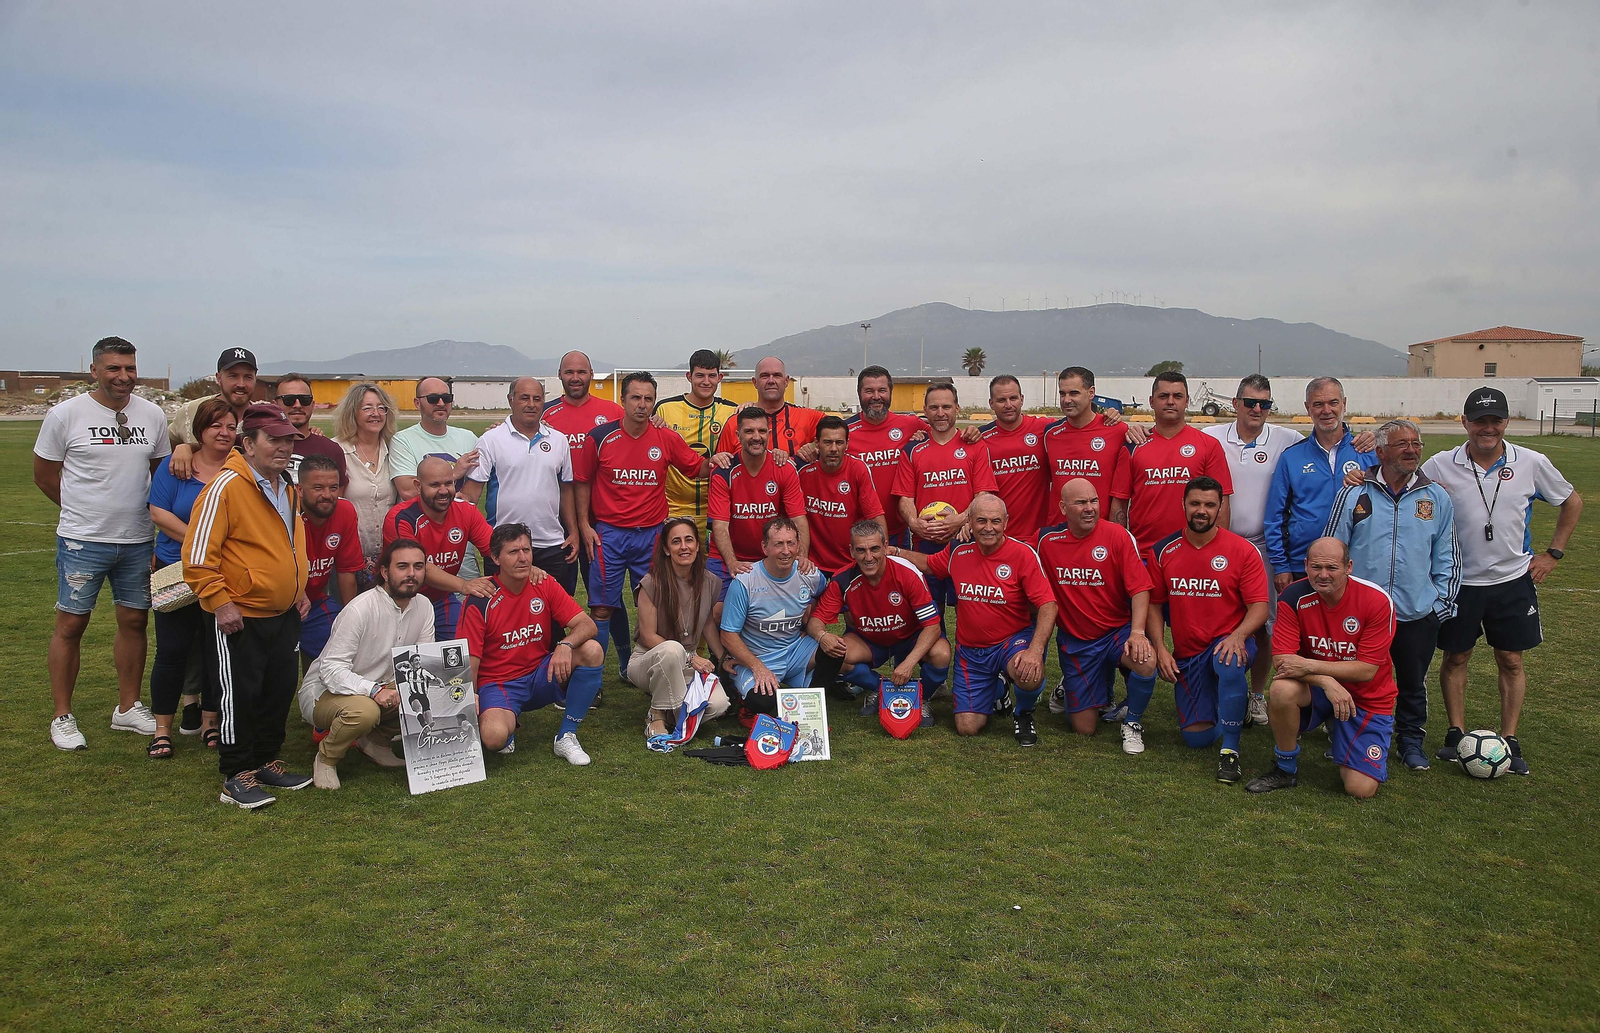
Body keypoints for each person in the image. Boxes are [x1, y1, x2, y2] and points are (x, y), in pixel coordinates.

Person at [1421, 387, 1582, 775]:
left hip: (1512, 580)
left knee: (1510, 659)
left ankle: (1509, 738)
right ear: (1465, 422)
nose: (1487, 428)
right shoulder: (1441, 465)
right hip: (1459, 582)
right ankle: (1455, 733)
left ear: (1506, 423)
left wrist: (1552, 554)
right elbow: (1409, 495)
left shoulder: (1530, 462)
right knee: (1456, 656)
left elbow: (1571, 501)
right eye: (1479, 420)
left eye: (1495, 421)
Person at [33, 336, 171, 751]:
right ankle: (62, 716)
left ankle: (127, 708)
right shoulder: (65, 414)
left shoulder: (152, 415)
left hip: (136, 540)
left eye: (129, 368)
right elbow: (44, 474)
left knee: (133, 622)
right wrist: (81, 511)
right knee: (71, 624)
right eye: (113, 368)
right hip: (82, 541)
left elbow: (157, 473)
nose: (123, 377)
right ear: (94, 370)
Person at [183, 402, 312, 809]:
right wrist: (221, 603)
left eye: (288, 439)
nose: (282, 447)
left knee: (277, 690)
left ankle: (265, 761)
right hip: (240, 615)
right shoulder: (225, 487)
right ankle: (235, 774)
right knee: (238, 693)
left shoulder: (286, 485)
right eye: (273, 439)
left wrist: (298, 588)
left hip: (284, 612)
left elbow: (288, 545)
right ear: (248, 444)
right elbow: (198, 556)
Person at [1324, 419, 1461, 771]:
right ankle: (1347, 736)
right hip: (1363, 613)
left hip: (1416, 611)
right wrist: (1338, 602)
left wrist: (1439, 605)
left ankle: (1410, 741)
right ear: (1381, 451)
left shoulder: (1437, 497)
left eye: (1417, 444)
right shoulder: (1355, 493)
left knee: (1412, 681)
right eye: (1403, 444)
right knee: (1356, 677)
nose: (1412, 450)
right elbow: (1333, 549)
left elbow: (1448, 554)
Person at [893, 495, 1056, 742]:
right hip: (971, 652)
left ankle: (1023, 714)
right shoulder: (958, 550)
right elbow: (927, 563)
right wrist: (894, 551)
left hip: (1010, 643)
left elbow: (1048, 604)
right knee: (967, 726)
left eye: (995, 521)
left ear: (1006, 523)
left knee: (1027, 674)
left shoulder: (1022, 554)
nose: (988, 528)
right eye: (981, 521)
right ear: (969, 521)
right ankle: (998, 689)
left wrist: (1035, 651)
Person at [574, 371, 707, 673]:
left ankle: (659, 671)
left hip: (652, 536)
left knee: (658, 606)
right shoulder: (600, 438)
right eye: (636, 397)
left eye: (648, 399)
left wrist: (731, 456)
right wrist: (584, 525)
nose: (642, 405)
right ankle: (593, 680)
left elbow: (698, 468)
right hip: (609, 534)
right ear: (622, 400)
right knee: (602, 606)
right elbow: (582, 482)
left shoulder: (666, 438)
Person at [1246, 538, 1399, 798]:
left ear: (1349, 567)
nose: (1323, 575)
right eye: (1316, 567)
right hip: (1317, 689)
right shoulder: (1293, 596)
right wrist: (1328, 683)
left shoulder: (1376, 600)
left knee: (1359, 789)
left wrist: (1309, 664)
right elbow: (1283, 661)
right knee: (1282, 689)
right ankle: (1285, 769)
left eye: (1332, 568)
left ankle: (1342, 732)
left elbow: (1366, 671)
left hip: (1367, 696)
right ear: (1305, 565)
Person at [1146, 476, 1270, 784]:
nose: (1202, 510)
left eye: (1210, 504)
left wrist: (1239, 635)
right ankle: (1231, 709)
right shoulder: (1163, 550)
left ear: (1221, 507)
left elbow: (1259, 607)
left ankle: (1230, 750)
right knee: (1196, 739)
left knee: (1228, 663)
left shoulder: (1243, 550)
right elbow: (1154, 605)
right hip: (1188, 653)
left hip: (1229, 641)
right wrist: (1161, 649)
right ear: (1184, 505)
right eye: (1195, 503)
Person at [457, 523, 605, 764]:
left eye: (527, 550)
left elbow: (588, 625)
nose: (522, 557)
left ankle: (566, 735)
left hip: (540, 674)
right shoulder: (481, 600)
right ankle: (507, 723)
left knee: (592, 650)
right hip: (499, 683)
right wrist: (470, 696)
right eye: (513, 552)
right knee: (494, 739)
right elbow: (470, 661)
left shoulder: (543, 583)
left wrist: (565, 645)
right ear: (495, 557)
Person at [1203, 375, 1304, 725]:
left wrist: (1359, 434)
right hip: (1220, 545)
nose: (1258, 409)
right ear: (1235, 403)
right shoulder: (1211, 437)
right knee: (1219, 621)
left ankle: (1257, 694)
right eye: (1251, 403)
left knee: (1264, 625)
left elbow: (1330, 442)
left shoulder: (1288, 439)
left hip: (1266, 548)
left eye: (1265, 404)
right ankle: (1218, 690)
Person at [297, 538, 431, 790]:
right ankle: (326, 759)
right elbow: (331, 670)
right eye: (402, 566)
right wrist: (373, 691)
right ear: (384, 572)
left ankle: (376, 744)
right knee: (365, 712)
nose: (411, 574)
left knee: (424, 690)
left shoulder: (424, 606)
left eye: (418, 566)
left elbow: (421, 662)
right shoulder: (360, 608)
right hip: (324, 692)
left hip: (382, 687)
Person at [1036, 478, 1158, 751]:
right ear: (1063, 508)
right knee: (1084, 729)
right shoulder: (1046, 541)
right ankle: (1070, 684)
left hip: (1117, 632)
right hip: (1078, 642)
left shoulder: (1117, 535)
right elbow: (1010, 549)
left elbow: (1140, 589)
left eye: (1094, 501)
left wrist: (1138, 633)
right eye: (1080, 502)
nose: (1089, 508)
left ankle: (1133, 723)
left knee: (1146, 661)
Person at [144, 397, 234, 757]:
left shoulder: (239, 467)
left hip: (224, 573)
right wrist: (200, 544)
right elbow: (158, 512)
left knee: (217, 650)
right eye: (216, 426)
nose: (224, 433)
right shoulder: (176, 465)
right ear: (199, 430)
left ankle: (211, 721)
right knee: (171, 651)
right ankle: (162, 728)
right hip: (176, 569)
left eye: (231, 426)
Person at [807, 520, 950, 722]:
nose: (868, 557)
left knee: (941, 654)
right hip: (870, 640)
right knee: (835, 655)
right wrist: (822, 636)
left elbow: (932, 626)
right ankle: (882, 689)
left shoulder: (907, 573)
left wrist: (909, 663)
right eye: (861, 550)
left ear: (885, 547)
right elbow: (815, 620)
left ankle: (921, 698)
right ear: (851, 551)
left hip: (910, 637)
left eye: (874, 549)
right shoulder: (842, 580)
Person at [542, 351, 629, 663]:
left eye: (581, 371)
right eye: (569, 372)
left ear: (592, 374)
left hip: (602, 521)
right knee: (557, 595)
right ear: (560, 375)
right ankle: (553, 658)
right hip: (556, 520)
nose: (575, 377)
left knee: (608, 597)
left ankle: (624, 659)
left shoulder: (613, 411)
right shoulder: (545, 413)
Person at [1264, 376, 1380, 595]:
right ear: (1308, 408)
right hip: (1304, 566)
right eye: (1318, 404)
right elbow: (1275, 517)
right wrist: (1281, 565)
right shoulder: (1291, 457)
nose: (1326, 410)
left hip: (1358, 567)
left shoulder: (1368, 452)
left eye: (1333, 403)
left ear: (1344, 404)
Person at [463, 376, 579, 593]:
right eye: (524, 398)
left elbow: (566, 489)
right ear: (511, 399)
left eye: (537, 398)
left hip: (551, 544)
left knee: (554, 618)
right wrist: (485, 539)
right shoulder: (491, 440)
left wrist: (572, 531)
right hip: (505, 545)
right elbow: (471, 496)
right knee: (505, 616)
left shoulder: (559, 440)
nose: (531, 404)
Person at [891, 382, 999, 614]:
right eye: (934, 407)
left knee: (971, 610)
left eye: (946, 406)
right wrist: (914, 523)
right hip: (926, 543)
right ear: (925, 410)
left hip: (966, 540)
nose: (940, 413)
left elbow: (983, 494)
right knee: (929, 613)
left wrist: (961, 520)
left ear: (957, 408)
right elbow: (905, 498)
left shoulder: (974, 446)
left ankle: (967, 651)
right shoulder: (912, 449)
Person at [628, 517, 731, 739]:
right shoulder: (651, 583)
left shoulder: (710, 581)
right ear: (666, 549)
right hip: (649, 660)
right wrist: (690, 658)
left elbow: (707, 623)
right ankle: (656, 714)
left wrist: (724, 658)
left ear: (697, 545)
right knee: (672, 649)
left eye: (689, 540)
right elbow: (647, 636)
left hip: (685, 663)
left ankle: (670, 711)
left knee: (719, 705)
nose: (684, 547)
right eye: (676, 542)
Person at [719, 517, 829, 716]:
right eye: (778, 544)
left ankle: (812, 698)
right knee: (761, 701)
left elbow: (828, 596)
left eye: (791, 543)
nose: (786, 551)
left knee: (834, 649)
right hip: (758, 657)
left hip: (795, 651)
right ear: (765, 547)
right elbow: (728, 635)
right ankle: (740, 693)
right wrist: (757, 667)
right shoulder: (745, 581)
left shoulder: (809, 574)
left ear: (798, 545)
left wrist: (811, 625)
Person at [383, 455, 497, 642]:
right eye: (435, 485)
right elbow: (416, 568)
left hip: (439, 598)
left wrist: (523, 565)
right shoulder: (401, 518)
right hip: (399, 598)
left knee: (462, 649)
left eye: (449, 483)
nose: (443, 491)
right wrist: (463, 585)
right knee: (396, 660)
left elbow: (496, 551)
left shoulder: (466, 512)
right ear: (418, 486)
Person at [1126, 371, 1234, 558]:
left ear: (1186, 401)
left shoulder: (1208, 445)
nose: (1170, 401)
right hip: (1144, 555)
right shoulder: (1133, 446)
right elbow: (1119, 505)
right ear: (1152, 402)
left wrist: (1215, 549)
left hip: (1193, 553)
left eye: (1177, 396)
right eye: (1163, 396)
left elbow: (1222, 503)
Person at [708, 406, 810, 592]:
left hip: (771, 554)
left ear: (769, 434)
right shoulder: (724, 471)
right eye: (749, 431)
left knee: (798, 608)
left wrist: (801, 556)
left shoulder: (784, 468)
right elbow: (720, 525)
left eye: (762, 431)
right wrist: (732, 562)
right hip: (727, 555)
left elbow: (798, 519)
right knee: (717, 612)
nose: (756, 437)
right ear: (738, 435)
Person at [845, 366, 935, 546]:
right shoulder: (844, 431)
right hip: (860, 533)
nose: (876, 397)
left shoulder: (910, 424)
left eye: (882, 390)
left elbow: (945, 438)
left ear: (890, 392)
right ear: (859, 393)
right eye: (869, 391)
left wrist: (970, 433)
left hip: (899, 532)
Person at [654, 349, 740, 536]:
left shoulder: (732, 411)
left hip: (717, 509)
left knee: (711, 565)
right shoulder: (665, 409)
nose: (706, 381)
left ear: (720, 377)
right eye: (700, 375)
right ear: (689, 376)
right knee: (675, 563)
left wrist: (750, 408)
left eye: (712, 376)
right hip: (674, 508)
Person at [1042, 366, 1135, 524]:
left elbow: (1121, 493)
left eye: (1074, 393)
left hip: (1099, 535)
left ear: (1091, 393)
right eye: (1062, 393)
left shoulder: (1118, 431)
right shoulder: (1050, 434)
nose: (1066, 400)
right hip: (1059, 534)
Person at [297, 453, 364, 668]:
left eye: (333, 488)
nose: (327, 495)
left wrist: (349, 617)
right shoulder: (286, 513)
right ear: (299, 490)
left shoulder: (344, 511)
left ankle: (316, 689)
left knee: (340, 642)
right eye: (318, 488)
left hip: (315, 600)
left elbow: (346, 570)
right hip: (279, 603)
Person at [797, 416, 885, 577]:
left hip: (850, 562)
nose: (833, 448)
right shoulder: (802, 470)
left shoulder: (858, 469)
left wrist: (883, 554)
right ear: (816, 443)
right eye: (827, 442)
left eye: (839, 442)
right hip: (812, 563)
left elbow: (875, 515)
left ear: (847, 444)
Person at [332, 382, 400, 574]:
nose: (376, 413)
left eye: (381, 408)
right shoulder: (336, 450)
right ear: (352, 412)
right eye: (367, 408)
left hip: (388, 558)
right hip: (347, 560)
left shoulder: (395, 449)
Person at [979, 375, 1054, 543]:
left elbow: (1078, 426)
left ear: (1022, 399)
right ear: (991, 403)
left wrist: (1109, 416)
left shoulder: (1045, 429)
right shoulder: (980, 437)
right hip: (997, 536)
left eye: (1013, 398)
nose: (1008, 405)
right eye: (1001, 400)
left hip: (1039, 536)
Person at [163, 347, 258, 477]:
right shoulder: (190, 411)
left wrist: (190, 447)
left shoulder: (263, 417)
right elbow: (167, 447)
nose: (241, 384)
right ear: (218, 378)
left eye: (248, 377)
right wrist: (183, 448)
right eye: (233, 376)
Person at [713, 357, 823, 461]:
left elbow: (839, 432)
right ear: (755, 382)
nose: (771, 380)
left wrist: (814, 446)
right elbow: (719, 469)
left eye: (777, 375)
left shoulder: (807, 418)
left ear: (786, 381)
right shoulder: (735, 422)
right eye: (765, 376)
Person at [388, 376, 481, 501]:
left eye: (447, 398)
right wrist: (453, 474)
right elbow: (408, 491)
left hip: (459, 518)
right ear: (417, 403)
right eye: (433, 399)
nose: (441, 403)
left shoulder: (468, 438)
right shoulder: (403, 440)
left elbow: (480, 480)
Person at [273, 373, 347, 487]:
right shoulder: (261, 447)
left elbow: (336, 496)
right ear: (275, 404)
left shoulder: (331, 450)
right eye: (289, 400)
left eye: (304, 400)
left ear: (312, 404)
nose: (297, 405)